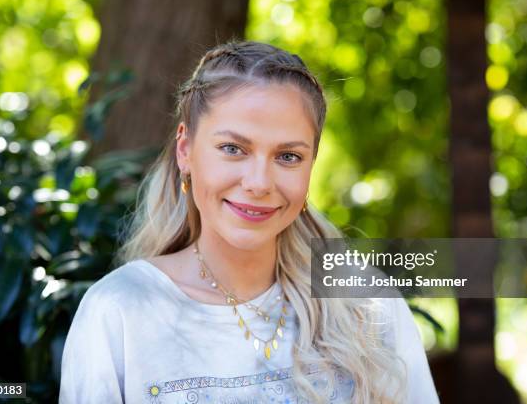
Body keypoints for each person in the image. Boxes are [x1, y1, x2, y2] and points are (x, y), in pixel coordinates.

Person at [59, 40, 439, 404]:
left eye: (288, 156)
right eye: (233, 149)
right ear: (185, 150)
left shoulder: (367, 306)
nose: (258, 183)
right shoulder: (120, 311)